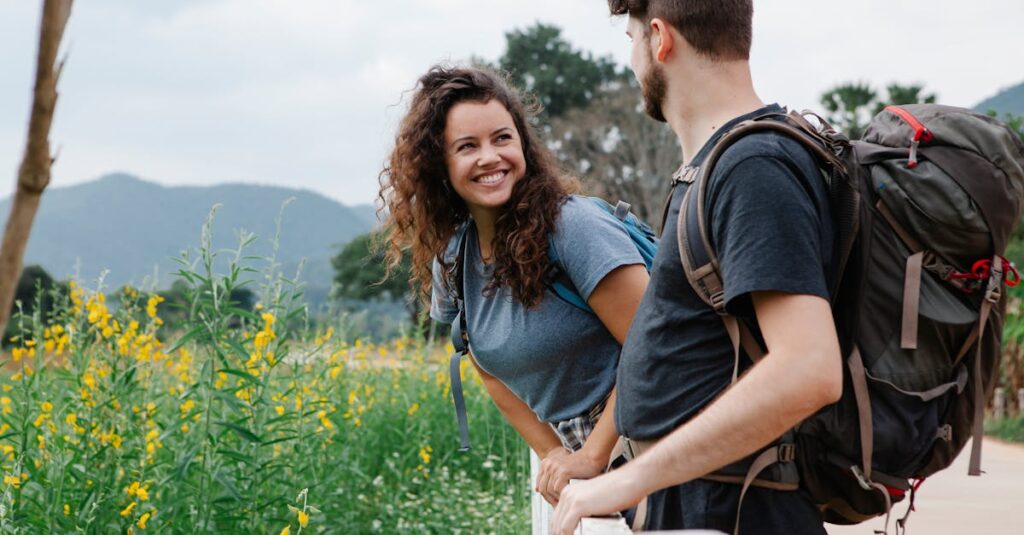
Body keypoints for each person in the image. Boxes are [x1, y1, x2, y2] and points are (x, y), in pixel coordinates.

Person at [552, 1, 843, 534]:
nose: (634, 61)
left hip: (735, 511)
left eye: (633, 39)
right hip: (700, 508)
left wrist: (630, 480)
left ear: (659, 39)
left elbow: (809, 370)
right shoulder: (715, 166)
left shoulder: (752, 167)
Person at [377, 65, 650, 505]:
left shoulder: (572, 226)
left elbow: (654, 342)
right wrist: (553, 453)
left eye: (502, 138)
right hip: (592, 455)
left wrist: (593, 455)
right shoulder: (454, 255)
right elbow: (483, 363)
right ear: (439, 165)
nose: (490, 157)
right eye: (467, 146)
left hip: (653, 434)